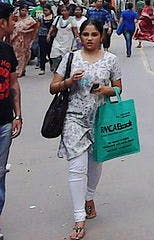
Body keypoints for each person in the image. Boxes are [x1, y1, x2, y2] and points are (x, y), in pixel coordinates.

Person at [50, 19, 122, 240]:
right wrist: (69, 81)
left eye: (94, 34)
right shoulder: (70, 58)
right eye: (85, 34)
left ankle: (89, 195)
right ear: (79, 36)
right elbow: (53, 87)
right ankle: (79, 219)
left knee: (95, 162)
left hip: (100, 119)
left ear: (102, 36)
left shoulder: (112, 60)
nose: (89, 38)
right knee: (76, 167)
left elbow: (119, 88)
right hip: (73, 119)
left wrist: (106, 89)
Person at [0, 2, 23, 239]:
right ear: (2, 23)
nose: (14, 23)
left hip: (4, 123)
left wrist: (18, 115)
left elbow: (14, 83)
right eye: (12, 19)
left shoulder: (6, 50)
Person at [8, 4, 39, 78]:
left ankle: (20, 71)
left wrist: (26, 31)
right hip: (14, 39)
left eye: (25, 10)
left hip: (24, 41)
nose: (23, 12)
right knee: (14, 55)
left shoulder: (30, 20)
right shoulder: (15, 18)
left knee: (22, 56)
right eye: (22, 10)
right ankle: (15, 70)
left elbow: (35, 28)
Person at [36, 5, 55, 75]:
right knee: (42, 52)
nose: (45, 12)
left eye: (46, 10)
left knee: (51, 51)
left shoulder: (54, 17)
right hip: (42, 35)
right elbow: (38, 26)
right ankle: (42, 68)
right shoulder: (41, 17)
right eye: (44, 10)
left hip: (51, 36)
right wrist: (36, 35)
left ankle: (52, 65)